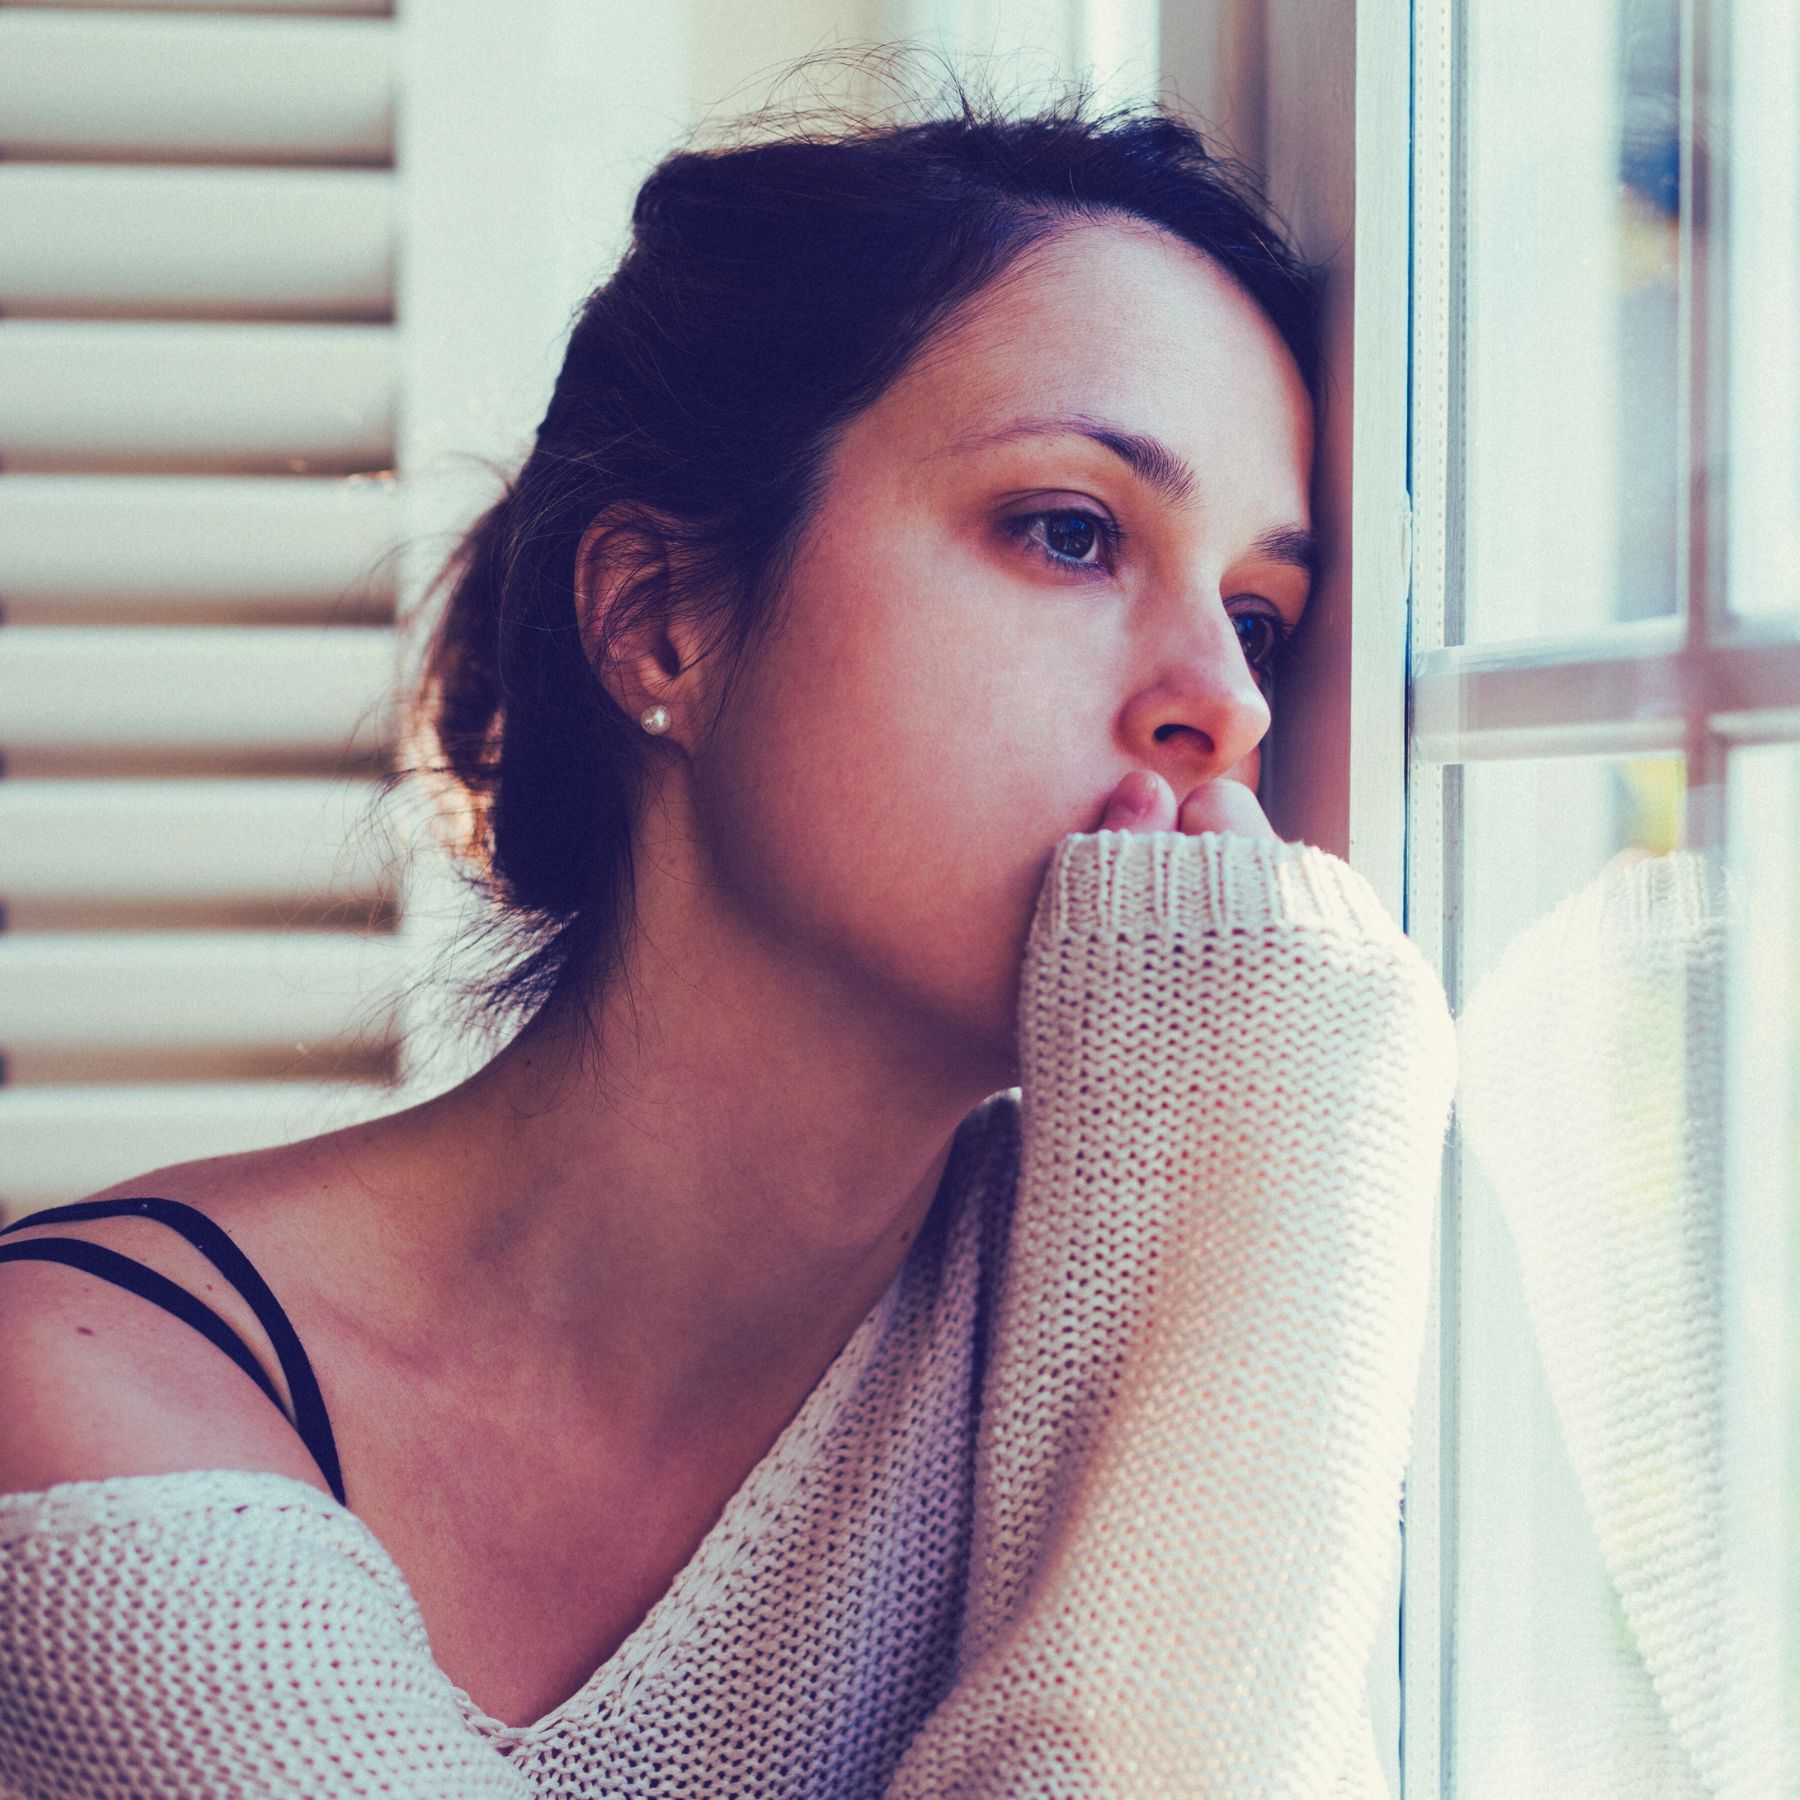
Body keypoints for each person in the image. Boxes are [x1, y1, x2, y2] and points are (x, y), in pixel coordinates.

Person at [0, 65, 1457, 1798]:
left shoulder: (1144, 1271)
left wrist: (1304, 1140)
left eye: (1264, 616)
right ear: (661, 617)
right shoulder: (97, 1402)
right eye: (1069, 533)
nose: (1222, 704)